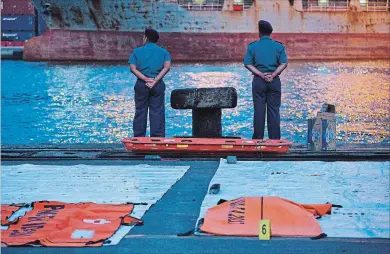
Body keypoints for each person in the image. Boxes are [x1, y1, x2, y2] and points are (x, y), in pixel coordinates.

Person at [244, 20, 288, 140]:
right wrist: (273, 75)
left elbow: (247, 64)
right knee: (274, 111)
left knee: (259, 111)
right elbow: (284, 63)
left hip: (258, 81)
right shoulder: (279, 46)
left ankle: (258, 139)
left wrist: (261, 74)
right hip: (274, 81)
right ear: (270, 32)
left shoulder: (252, 46)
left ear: (259, 32)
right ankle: (274, 140)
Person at [128, 28, 171, 137]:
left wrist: (145, 79)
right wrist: (155, 80)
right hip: (157, 85)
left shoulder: (136, 51)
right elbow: (167, 67)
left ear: (146, 38)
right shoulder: (164, 52)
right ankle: (157, 139)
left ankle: (139, 137)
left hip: (142, 85)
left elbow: (133, 68)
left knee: (140, 111)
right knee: (157, 111)